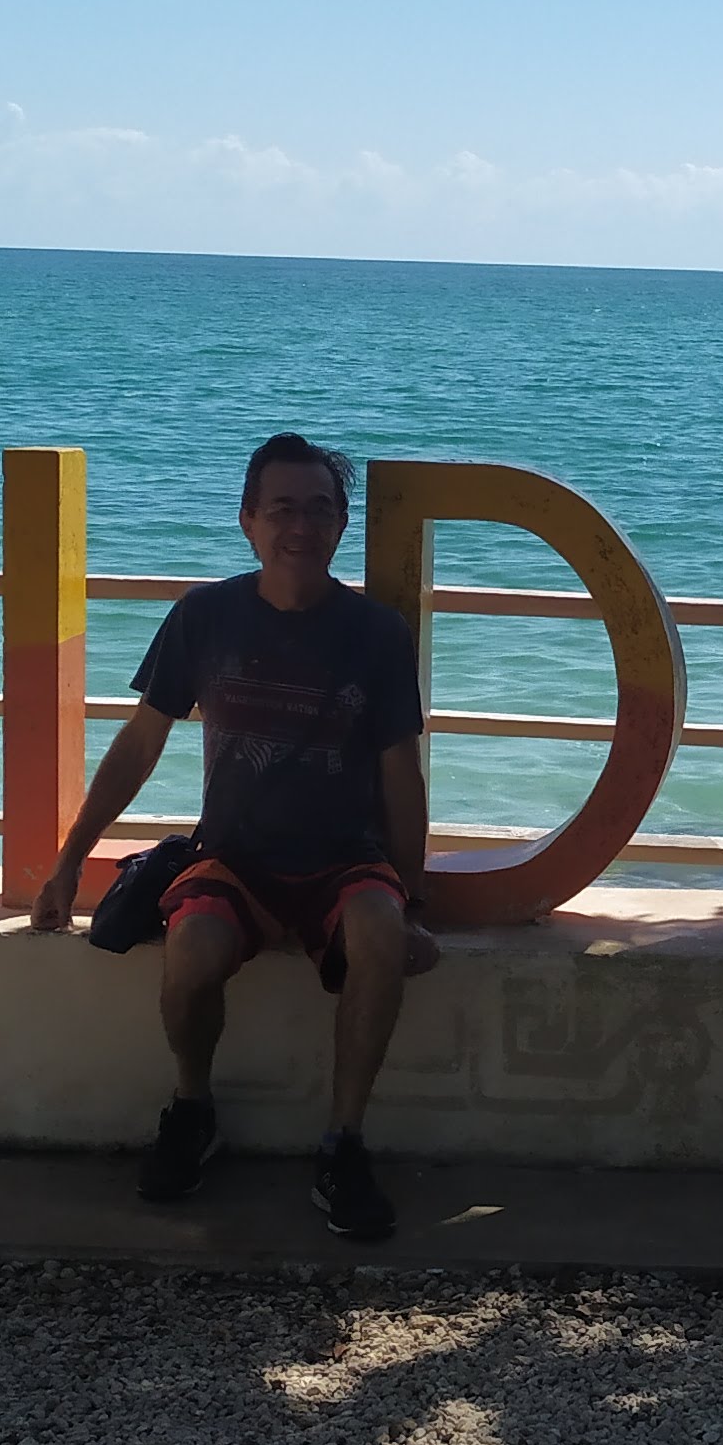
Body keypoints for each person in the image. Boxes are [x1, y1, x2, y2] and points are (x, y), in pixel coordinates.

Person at [28, 433, 434, 1240]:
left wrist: (412, 898)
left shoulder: (377, 634)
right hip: (234, 857)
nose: (301, 525)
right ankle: (193, 1110)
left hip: (344, 860)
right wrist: (70, 861)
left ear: (341, 525)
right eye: (282, 507)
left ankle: (342, 1145)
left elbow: (400, 777)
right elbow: (140, 743)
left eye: (320, 509)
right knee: (191, 954)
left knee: (382, 936)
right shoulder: (203, 617)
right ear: (247, 520)